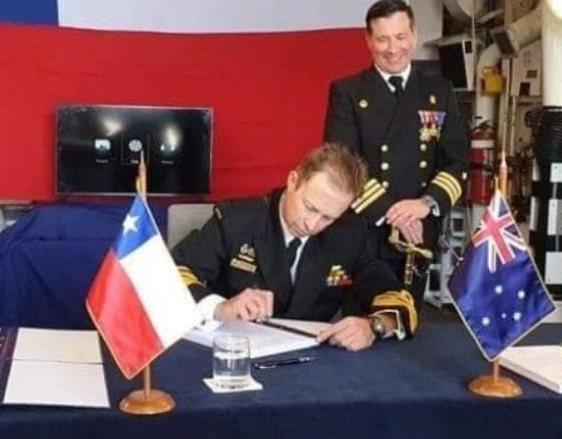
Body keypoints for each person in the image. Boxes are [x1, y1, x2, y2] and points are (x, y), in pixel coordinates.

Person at [172, 143, 417, 352]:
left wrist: (375, 326)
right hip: (231, 352)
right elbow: (173, 272)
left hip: (311, 361)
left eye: (328, 217)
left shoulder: (349, 234)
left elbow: (394, 296)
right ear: (293, 181)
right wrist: (219, 308)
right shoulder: (237, 219)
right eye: (310, 207)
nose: (312, 224)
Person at [324, 0, 469, 308]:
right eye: (382, 39)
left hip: (418, 231)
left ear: (414, 35)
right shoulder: (348, 91)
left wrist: (424, 205)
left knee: (406, 319)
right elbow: (342, 164)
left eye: (400, 37)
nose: (393, 49)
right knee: (361, 320)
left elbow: (457, 163)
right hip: (366, 230)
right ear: (368, 40)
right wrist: (394, 214)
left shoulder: (439, 91)